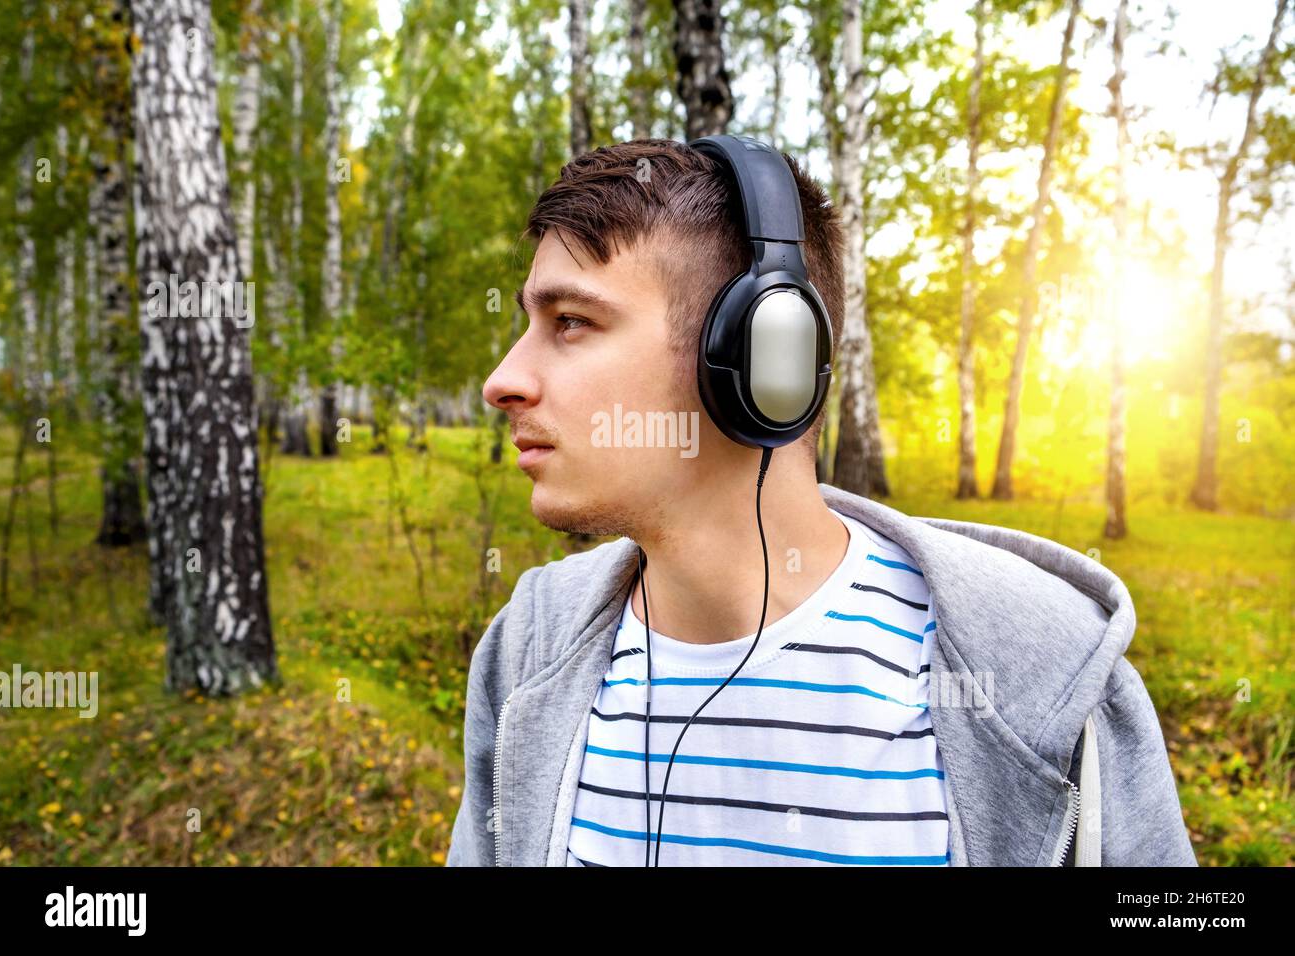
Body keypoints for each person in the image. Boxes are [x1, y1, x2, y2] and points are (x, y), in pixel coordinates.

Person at [446, 138, 1196, 867]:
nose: (503, 379)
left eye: (570, 322)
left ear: (767, 357)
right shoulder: (527, 653)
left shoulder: (1046, 682)